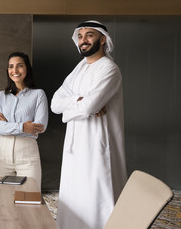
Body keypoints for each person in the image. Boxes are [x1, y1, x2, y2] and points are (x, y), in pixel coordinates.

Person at [50, 20, 127, 229]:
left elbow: (89, 107)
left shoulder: (109, 69)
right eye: (81, 36)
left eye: (89, 35)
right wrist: (79, 100)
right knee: (74, 196)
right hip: (75, 147)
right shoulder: (80, 68)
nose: (83, 40)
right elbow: (55, 103)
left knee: (99, 198)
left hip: (99, 147)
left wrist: (78, 108)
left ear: (103, 39)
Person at [0, 52, 48, 191]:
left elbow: (40, 127)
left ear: (27, 69)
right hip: (1, 153)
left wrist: (6, 124)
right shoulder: (1, 96)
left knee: (30, 196)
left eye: (19, 66)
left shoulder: (38, 94)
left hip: (27, 153)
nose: (14, 70)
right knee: (2, 198)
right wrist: (22, 126)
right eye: (10, 66)